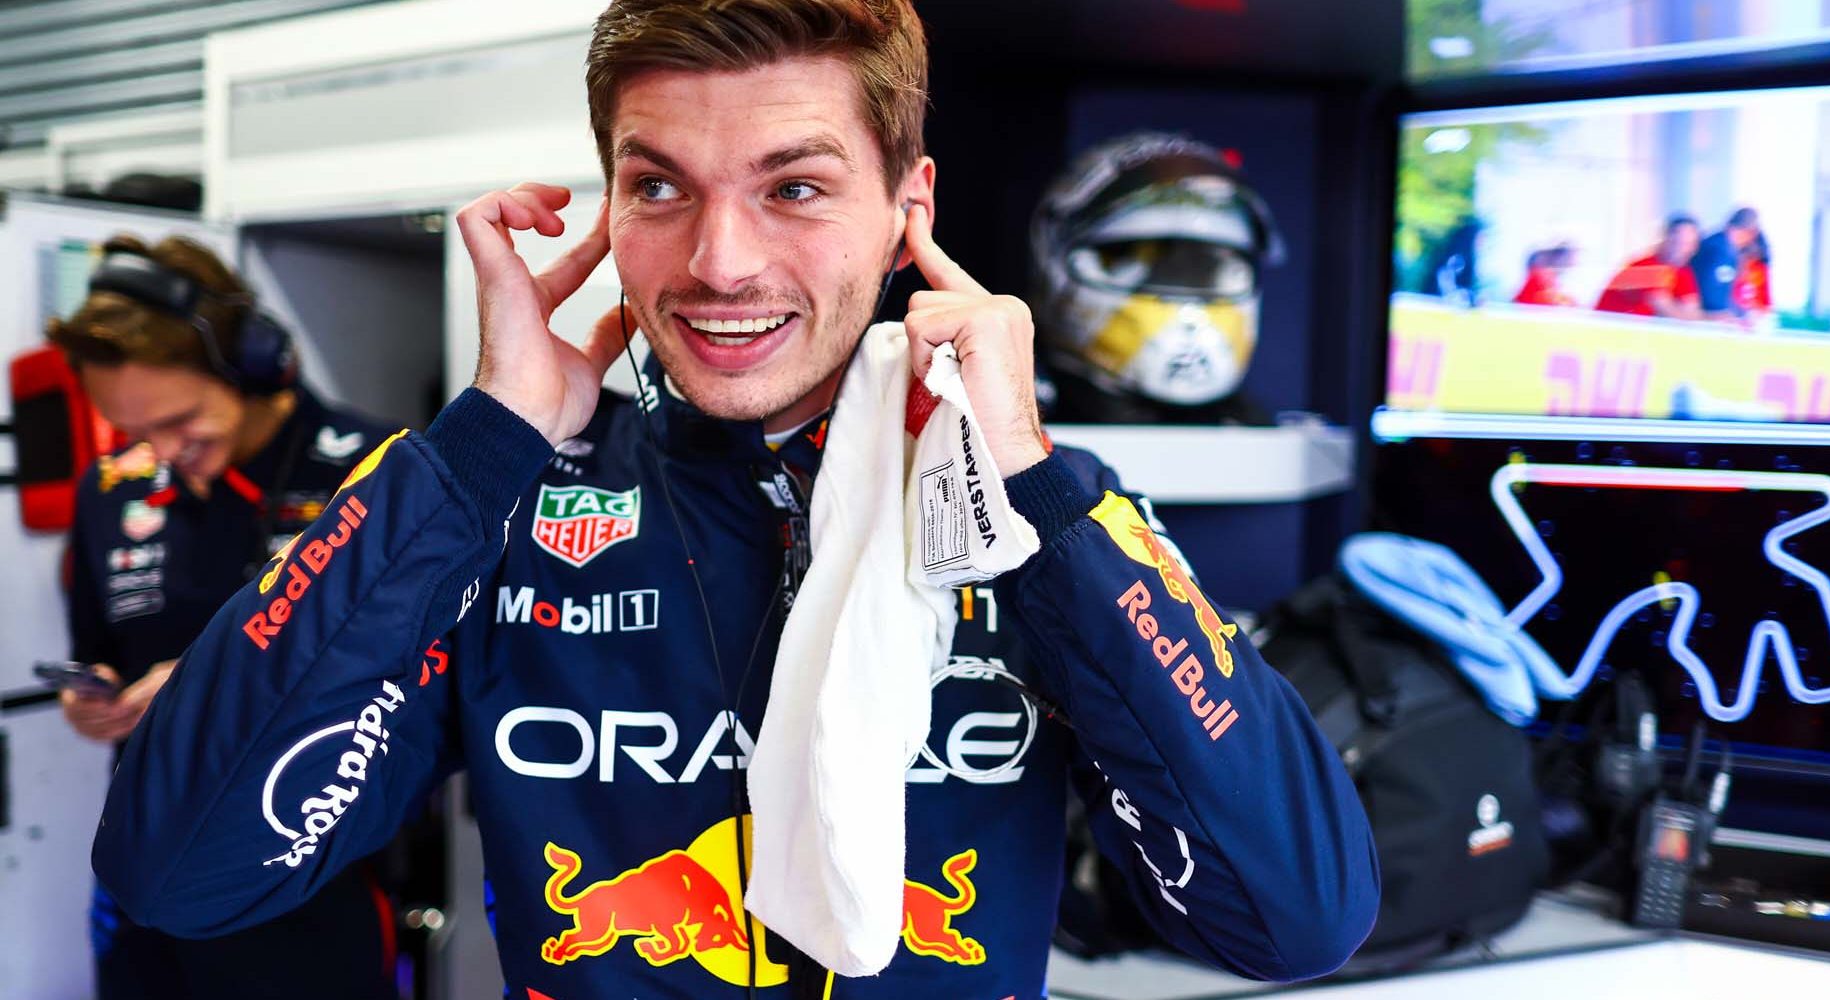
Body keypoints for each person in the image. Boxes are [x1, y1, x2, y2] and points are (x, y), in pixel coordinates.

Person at [91, 3, 1380, 998]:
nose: (719, 263)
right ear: (610, 205)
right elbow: (177, 871)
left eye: (795, 186)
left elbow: (1297, 919)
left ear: (905, 211)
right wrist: (480, 447)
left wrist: (1037, 488)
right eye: (660, 187)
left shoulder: (1027, 517)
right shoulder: (489, 499)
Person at [47, 234, 399, 999]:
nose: (165, 453)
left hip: (307, 879)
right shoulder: (111, 489)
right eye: (138, 433)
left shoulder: (374, 473)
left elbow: (414, 686)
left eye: (181, 422)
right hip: (145, 874)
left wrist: (207, 683)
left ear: (248, 364)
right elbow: (100, 649)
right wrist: (95, 697)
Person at [1029, 132, 1284, 425]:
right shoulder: (1017, 422)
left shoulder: (1255, 434)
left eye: (1203, 268)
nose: (1184, 288)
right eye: (1126, 259)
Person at [1595, 214, 1702, 319]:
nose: (1681, 250)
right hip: (1609, 328)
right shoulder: (1647, 268)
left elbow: (1691, 310)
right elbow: (1669, 312)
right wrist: (1714, 318)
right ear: (1664, 239)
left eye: (1687, 244)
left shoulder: (1682, 271)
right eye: (1676, 242)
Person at [1689, 207, 1762, 321]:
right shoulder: (1724, 251)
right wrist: (1736, 314)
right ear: (1751, 232)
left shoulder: (1714, 241)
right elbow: (1714, 292)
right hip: (1706, 318)